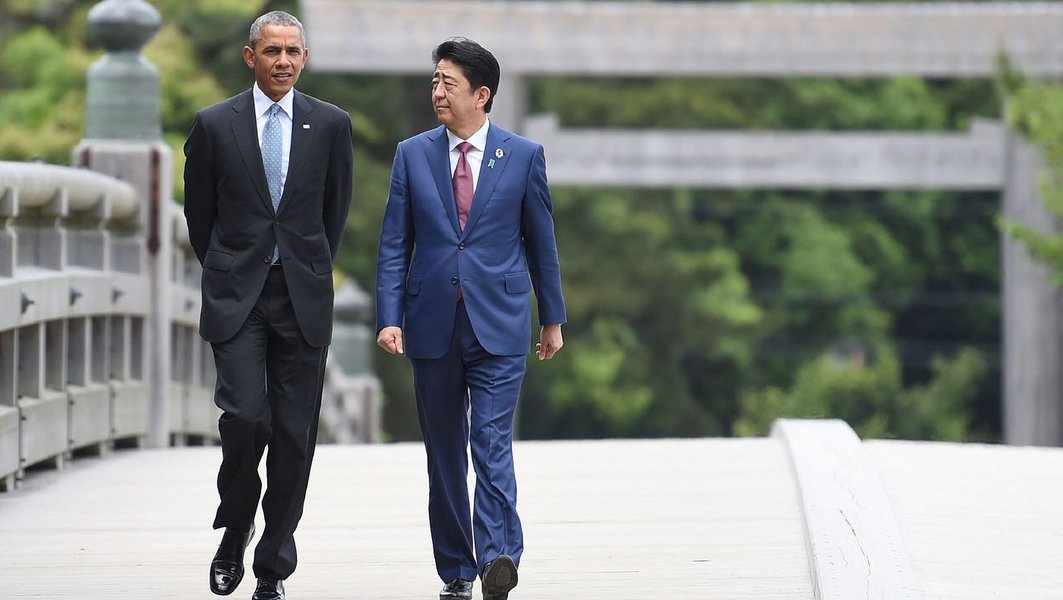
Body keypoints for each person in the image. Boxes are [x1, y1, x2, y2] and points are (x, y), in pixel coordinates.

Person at [375, 38, 566, 600]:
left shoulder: (523, 156)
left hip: (500, 322)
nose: (437, 91)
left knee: (490, 440)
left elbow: (542, 242)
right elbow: (394, 243)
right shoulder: (412, 154)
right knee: (444, 453)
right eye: (434, 81)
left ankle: (499, 556)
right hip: (431, 321)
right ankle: (457, 569)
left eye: (448, 83)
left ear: (481, 95)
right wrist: (389, 316)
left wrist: (551, 318)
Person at [183, 10, 353, 600]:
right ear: (250, 56)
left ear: (304, 58)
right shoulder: (214, 124)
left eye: (293, 51)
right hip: (238, 295)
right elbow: (199, 218)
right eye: (272, 50)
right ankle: (235, 525)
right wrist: (233, 266)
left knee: (293, 435)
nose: (283, 61)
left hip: (301, 295)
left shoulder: (331, 125)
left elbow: (333, 214)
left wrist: (304, 267)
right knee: (245, 418)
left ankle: (273, 566)